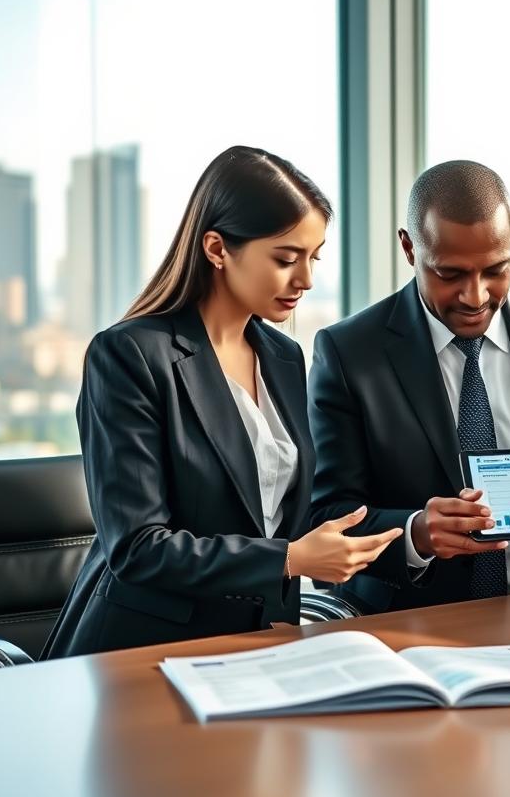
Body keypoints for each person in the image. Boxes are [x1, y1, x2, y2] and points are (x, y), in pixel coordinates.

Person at [44, 146, 400, 658]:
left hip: (262, 645)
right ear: (216, 248)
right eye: (285, 258)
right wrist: (290, 559)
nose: (305, 280)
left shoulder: (283, 356)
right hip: (146, 652)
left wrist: (410, 526)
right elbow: (138, 549)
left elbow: (280, 516)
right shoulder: (129, 356)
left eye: (313, 257)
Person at [307, 159, 510, 613]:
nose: (476, 296)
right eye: (450, 274)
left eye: (495, 270)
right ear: (409, 249)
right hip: (407, 628)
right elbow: (326, 519)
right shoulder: (348, 353)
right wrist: (416, 533)